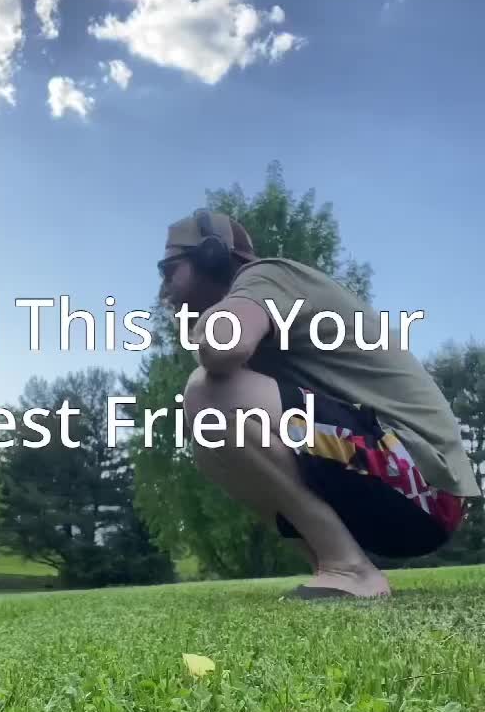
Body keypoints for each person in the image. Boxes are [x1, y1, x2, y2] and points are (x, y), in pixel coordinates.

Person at [157, 208, 482, 600]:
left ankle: (351, 570)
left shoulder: (265, 277)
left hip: (426, 484)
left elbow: (224, 347)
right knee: (209, 445)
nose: (163, 291)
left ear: (210, 257)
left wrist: (197, 326)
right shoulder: (265, 302)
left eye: (168, 271)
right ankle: (334, 563)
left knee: (208, 394)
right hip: (403, 491)